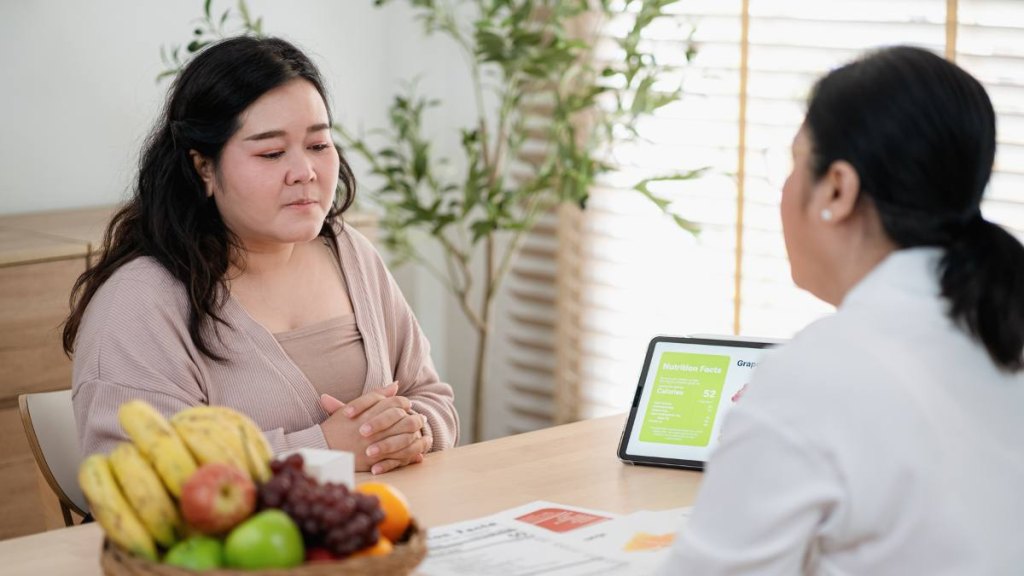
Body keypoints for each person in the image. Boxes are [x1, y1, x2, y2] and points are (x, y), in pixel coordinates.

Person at [658, 46, 1024, 574]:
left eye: (792, 163)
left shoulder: (817, 376)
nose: (783, 191)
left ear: (838, 188)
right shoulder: (999, 328)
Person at [63, 36, 459, 475]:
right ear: (203, 167)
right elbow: (138, 478)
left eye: (318, 145)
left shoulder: (349, 251)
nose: (304, 172)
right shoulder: (138, 303)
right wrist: (322, 451)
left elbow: (430, 396)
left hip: (386, 532)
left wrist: (414, 430)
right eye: (271, 152)